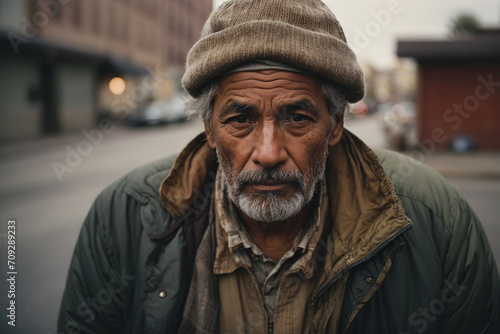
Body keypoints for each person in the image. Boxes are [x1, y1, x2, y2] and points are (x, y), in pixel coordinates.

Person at [58, 0, 500, 333]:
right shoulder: (122, 217)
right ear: (210, 129)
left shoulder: (435, 221)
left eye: (297, 117)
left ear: (335, 125)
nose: (268, 152)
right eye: (240, 119)